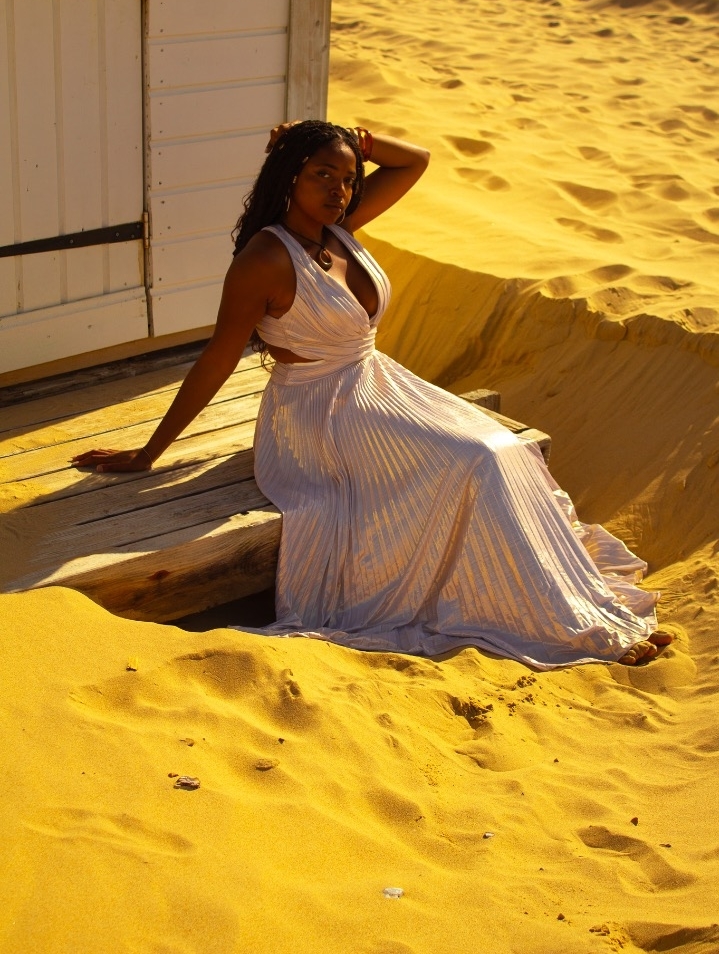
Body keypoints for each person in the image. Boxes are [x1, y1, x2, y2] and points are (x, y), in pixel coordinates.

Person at [72, 120, 671, 669]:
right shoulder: (264, 260)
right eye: (321, 174)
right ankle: (570, 628)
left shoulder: (339, 229)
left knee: (505, 450)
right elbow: (217, 360)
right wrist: (149, 453)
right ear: (288, 176)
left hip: (378, 385)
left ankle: (580, 608)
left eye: (348, 177)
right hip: (317, 418)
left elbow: (415, 161)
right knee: (478, 460)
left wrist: (358, 139)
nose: (338, 189)